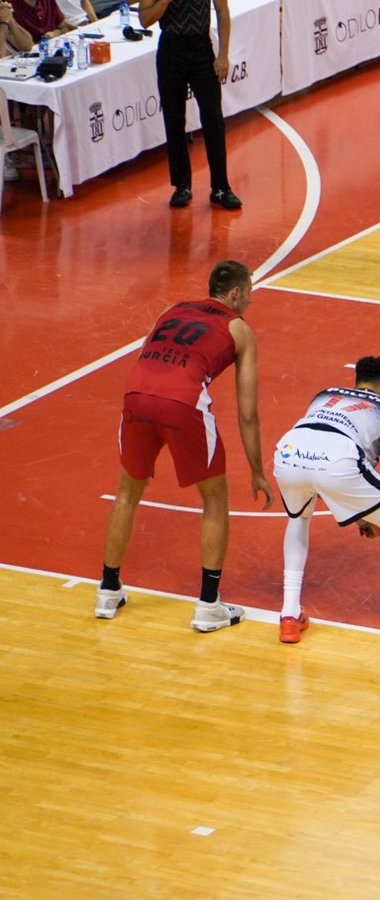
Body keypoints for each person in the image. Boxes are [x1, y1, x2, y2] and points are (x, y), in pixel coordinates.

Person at [96, 260, 272, 631]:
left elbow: (151, 357)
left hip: (136, 395)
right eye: (251, 291)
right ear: (237, 292)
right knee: (215, 498)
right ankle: (209, 605)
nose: (252, 299)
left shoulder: (170, 309)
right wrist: (257, 470)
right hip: (182, 402)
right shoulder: (239, 329)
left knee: (127, 493)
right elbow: (248, 414)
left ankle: (108, 590)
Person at [272, 356, 380, 665]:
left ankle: (289, 615)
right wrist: (376, 518)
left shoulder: (324, 394)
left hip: (288, 452)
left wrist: (364, 510)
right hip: (339, 460)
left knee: (299, 516)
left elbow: (319, 459)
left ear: (356, 380)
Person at [140, 0, 241, 211]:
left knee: (213, 118)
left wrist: (222, 54)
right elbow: (146, 19)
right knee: (174, 120)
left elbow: (222, 11)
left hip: (201, 50)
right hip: (171, 51)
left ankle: (221, 187)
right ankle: (181, 186)